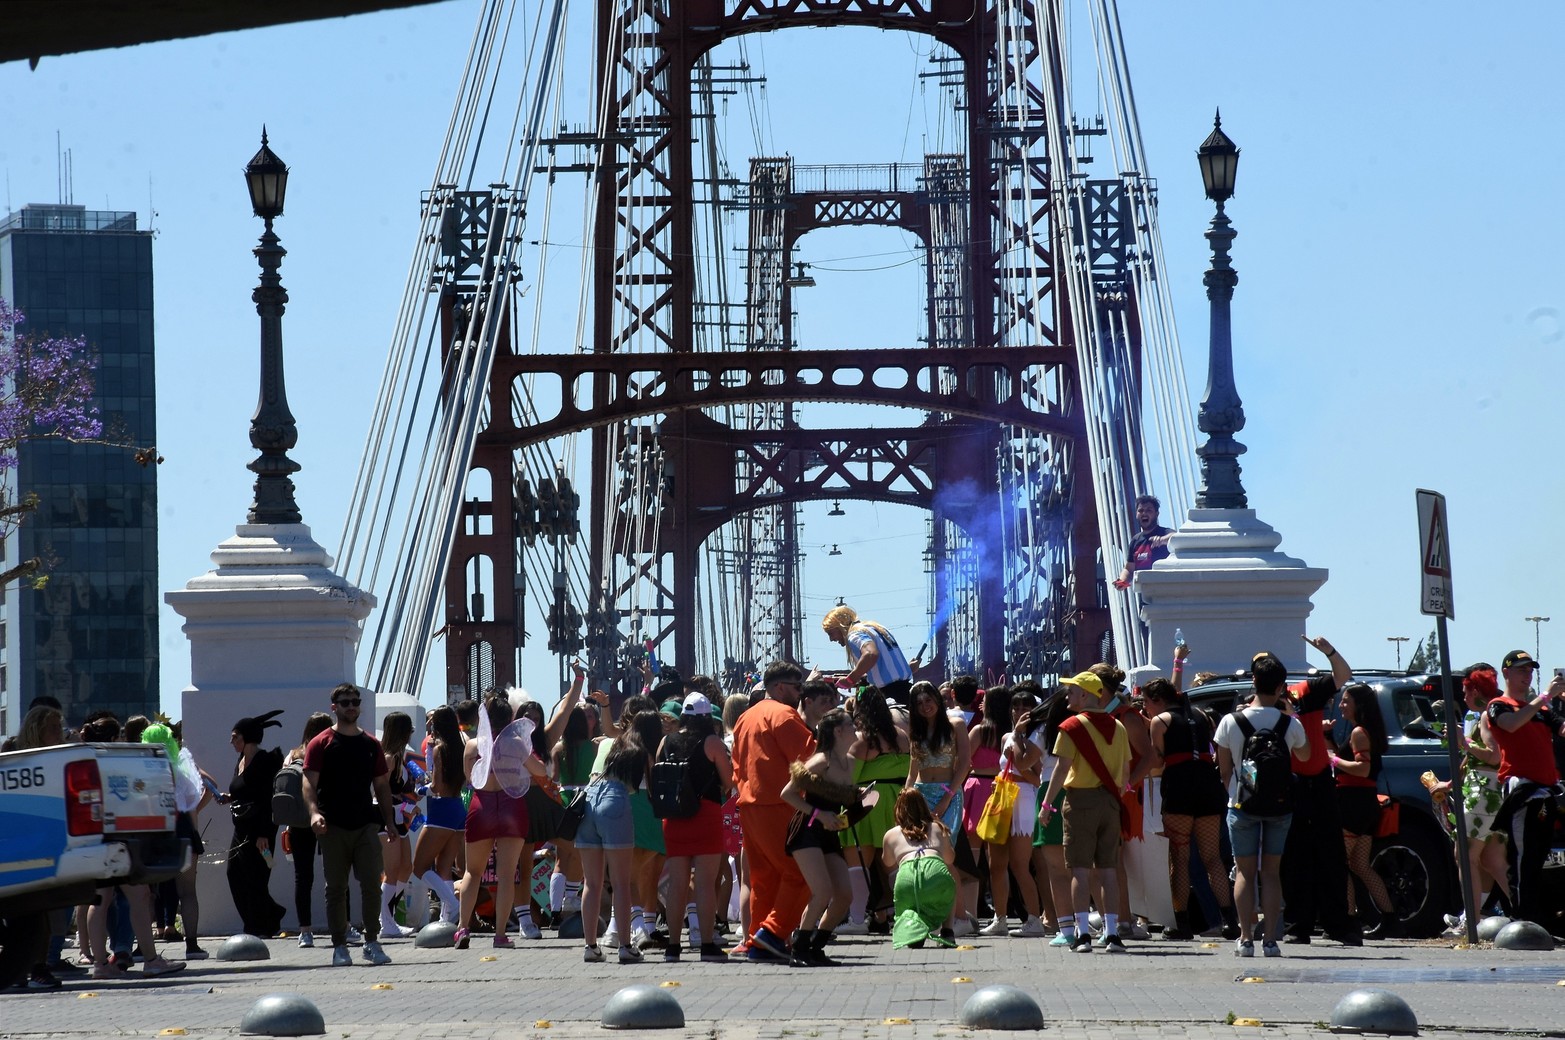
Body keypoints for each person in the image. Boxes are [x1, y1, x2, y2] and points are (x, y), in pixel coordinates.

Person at [1214, 651, 1311, 958]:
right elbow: (1305, 756)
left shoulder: (1231, 721)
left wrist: (1236, 789)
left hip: (1242, 804)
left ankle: (1245, 939)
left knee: (1244, 873)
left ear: (1253, 681)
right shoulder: (1288, 723)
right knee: (1271, 872)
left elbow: (1224, 768)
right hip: (1279, 805)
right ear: (1282, 686)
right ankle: (1270, 940)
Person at [302, 682, 399, 967]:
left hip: (365, 825)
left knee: (371, 883)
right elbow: (308, 782)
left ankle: (371, 941)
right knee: (336, 887)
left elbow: (381, 786)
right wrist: (313, 813)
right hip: (332, 826)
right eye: (345, 702)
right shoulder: (321, 743)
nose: (351, 706)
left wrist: (389, 822)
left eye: (355, 701)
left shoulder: (371, 744)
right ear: (335, 707)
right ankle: (339, 945)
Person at [730, 659, 816, 962]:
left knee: (764, 877)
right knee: (802, 874)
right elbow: (810, 758)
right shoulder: (784, 715)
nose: (800, 693)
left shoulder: (746, 717)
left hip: (749, 803)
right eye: (796, 687)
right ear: (780, 687)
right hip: (779, 804)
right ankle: (773, 932)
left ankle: (758, 940)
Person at [1038, 671, 1131, 953]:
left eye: (1072, 691)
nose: (1068, 695)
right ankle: (1112, 932)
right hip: (1111, 801)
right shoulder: (1118, 727)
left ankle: (1082, 934)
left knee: (1078, 869)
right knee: (1108, 870)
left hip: (1080, 801)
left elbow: (1062, 768)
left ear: (1086, 695)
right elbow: (1125, 774)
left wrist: (1047, 804)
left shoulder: (1071, 726)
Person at [1278, 634, 1361, 946]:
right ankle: (1297, 925)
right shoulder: (1261, 705)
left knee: (1331, 855)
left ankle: (1338, 924)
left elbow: (1343, 675)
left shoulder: (1304, 693)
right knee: (1294, 859)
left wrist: (1328, 651)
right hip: (1289, 786)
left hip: (1318, 781)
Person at [1144, 670, 1236, 942]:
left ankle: (1180, 923)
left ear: (1157, 700)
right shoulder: (1202, 716)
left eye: (1147, 702)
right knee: (1213, 858)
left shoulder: (1159, 722)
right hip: (1208, 789)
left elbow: (1158, 762)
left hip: (1180, 790)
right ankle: (1230, 920)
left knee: (1179, 858)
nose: (1146, 708)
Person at [452, 694, 547, 950]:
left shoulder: (473, 745)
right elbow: (541, 771)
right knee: (507, 875)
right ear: (510, 719)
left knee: (473, 872)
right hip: (511, 806)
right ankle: (501, 934)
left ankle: (462, 928)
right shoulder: (516, 743)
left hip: (481, 805)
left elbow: (469, 777)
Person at [1485, 650, 1565, 926]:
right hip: (1523, 789)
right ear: (1506, 672)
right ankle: (1521, 915)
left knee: (1538, 857)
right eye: (1521, 670)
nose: (1527, 675)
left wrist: (1558, 702)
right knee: (1521, 856)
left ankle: (1538, 917)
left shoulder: (1543, 709)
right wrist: (1544, 696)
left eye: (1530, 670)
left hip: (1546, 790)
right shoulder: (1499, 705)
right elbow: (1510, 725)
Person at [779, 708, 863, 965]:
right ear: (838, 731)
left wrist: (857, 795)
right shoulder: (820, 761)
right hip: (807, 828)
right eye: (851, 724)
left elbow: (838, 794)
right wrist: (820, 813)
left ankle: (816, 945)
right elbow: (787, 793)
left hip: (829, 831)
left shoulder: (848, 760)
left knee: (845, 895)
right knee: (822, 891)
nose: (855, 728)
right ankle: (799, 949)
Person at [657, 692, 733, 963]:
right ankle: (707, 944)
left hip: (674, 818)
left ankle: (673, 947)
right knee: (704, 883)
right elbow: (728, 781)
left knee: (677, 884)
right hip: (706, 815)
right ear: (706, 717)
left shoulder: (667, 741)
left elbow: (658, 774)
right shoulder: (712, 742)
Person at [576, 712, 651, 964]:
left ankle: (590, 946)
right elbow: (647, 788)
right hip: (614, 799)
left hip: (588, 800)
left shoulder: (607, 742)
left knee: (592, 883)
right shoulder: (641, 749)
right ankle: (626, 946)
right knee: (620, 883)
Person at [842, 685, 912, 935]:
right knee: (895, 863)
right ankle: (904, 915)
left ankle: (857, 919)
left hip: (866, 802)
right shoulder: (902, 736)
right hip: (896, 802)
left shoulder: (863, 740)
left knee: (858, 863)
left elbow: (849, 778)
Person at [1330, 682, 1398, 938]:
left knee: (1342, 864)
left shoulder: (1359, 732)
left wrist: (1333, 760)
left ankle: (1349, 921)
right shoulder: (1367, 731)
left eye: (1346, 700)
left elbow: (1363, 768)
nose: (1341, 705)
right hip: (1366, 804)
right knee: (1360, 864)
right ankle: (1390, 918)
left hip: (1353, 805)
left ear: (1359, 704)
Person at [1445, 664, 1511, 924]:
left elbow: (1493, 756)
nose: (1463, 697)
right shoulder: (1495, 711)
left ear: (1475, 691)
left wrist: (1465, 742)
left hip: (1482, 791)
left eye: (1465, 692)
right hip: (1495, 792)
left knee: (1465, 854)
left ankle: (1469, 921)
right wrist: (1450, 784)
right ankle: (1528, 912)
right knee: (1494, 860)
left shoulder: (1485, 716)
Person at [227, 709, 287, 939]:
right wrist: (228, 797)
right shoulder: (241, 760)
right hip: (241, 829)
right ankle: (268, 916)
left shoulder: (265, 761)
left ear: (247, 737)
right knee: (235, 874)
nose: (231, 741)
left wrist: (264, 833)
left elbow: (268, 799)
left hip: (260, 831)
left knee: (256, 877)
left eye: (235, 736)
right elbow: (243, 791)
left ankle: (258, 925)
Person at [883, 788, 957, 950]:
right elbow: (950, 859)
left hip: (906, 877)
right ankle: (947, 931)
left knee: (911, 897)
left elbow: (887, 862)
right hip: (934, 870)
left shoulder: (891, 834)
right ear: (924, 807)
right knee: (949, 880)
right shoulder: (938, 828)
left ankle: (914, 930)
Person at [412, 706, 465, 927]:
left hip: (440, 811)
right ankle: (447, 916)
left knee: (419, 868)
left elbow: (436, 786)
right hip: (458, 810)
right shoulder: (461, 747)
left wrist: (420, 790)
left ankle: (452, 904)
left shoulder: (439, 749)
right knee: (444, 866)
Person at [287, 712, 335, 948]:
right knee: (335, 875)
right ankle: (342, 925)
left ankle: (304, 931)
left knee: (302, 877)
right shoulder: (327, 751)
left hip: (298, 821)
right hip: (325, 817)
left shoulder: (292, 755)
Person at [821, 605, 913, 704]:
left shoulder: (854, 634)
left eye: (831, 633)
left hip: (890, 695)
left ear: (840, 626)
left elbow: (870, 654)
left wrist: (850, 680)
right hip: (907, 691)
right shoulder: (876, 628)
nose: (831, 639)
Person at [1112, 495, 1171, 589]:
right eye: (1140, 510)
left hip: (1165, 594)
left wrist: (1162, 540)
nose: (1144, 513)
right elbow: (1129, 569)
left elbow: (1178, 537)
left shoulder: (1164, 533)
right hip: (1145, 596)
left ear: (1157, 514)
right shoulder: (1135, 541)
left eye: (1149, 510)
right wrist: (1122, 581)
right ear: (1136, 514)